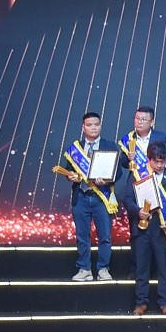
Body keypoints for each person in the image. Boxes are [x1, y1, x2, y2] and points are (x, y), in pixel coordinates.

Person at [120, 141, 166, 315]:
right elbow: (127, 199)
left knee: (164, 268)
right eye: (156, 161)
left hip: (162, 229)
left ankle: (165, 302)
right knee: (141, 267)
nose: (159, 165)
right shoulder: (137, 174)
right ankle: (141, 302)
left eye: (163, 161)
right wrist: (137, 211)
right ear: (149, 159)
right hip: (142, 228)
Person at [60, 111, 120, 282]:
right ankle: (84, 269)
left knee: (105, 236)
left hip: (102, 198)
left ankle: (103, 269)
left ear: (100, 126)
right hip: (81, 197)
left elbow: (118, 172)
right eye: (89, 125)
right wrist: (70, 176)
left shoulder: (110, 146)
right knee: (82, 236)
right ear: (83, 127)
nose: (93, 128)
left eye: (96, 124)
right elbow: (68, 170)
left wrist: (107, 179)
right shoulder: (75, 148)